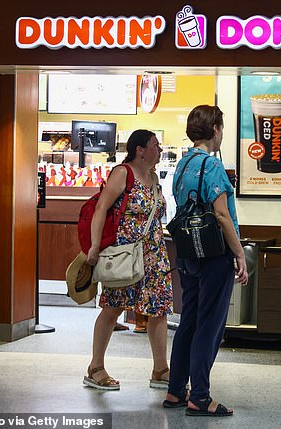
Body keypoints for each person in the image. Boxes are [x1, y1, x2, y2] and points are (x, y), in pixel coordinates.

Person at [163, 105, 248, 417]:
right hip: (214, 254)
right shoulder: (211, 166)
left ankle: (175, 390)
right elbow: (222, 216)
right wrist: (239, 254)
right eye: (221, 128)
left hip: (188, 252)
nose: (222, 133)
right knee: (210, 326)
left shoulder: (183, 165)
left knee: (189, 321)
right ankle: (199, 396)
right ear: (215, 130)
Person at [84, 129, 173, 390]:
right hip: (126, 255)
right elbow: (102, 207)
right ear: (140, 150)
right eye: (155, 145)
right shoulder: (124, 173)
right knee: (113, 308)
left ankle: (160, 369)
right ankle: (95, 367)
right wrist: (94, 245)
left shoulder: (154, 177)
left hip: (154, 256)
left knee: (158, 310)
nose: (159, 149)